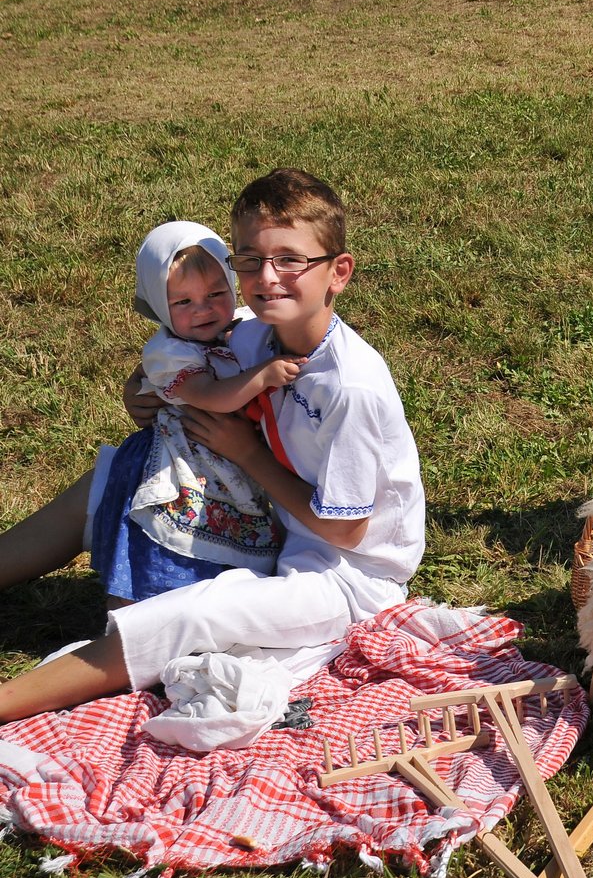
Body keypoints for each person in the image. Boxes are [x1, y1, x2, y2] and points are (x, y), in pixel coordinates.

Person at [0, 168, 426, 722]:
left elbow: (347, 530)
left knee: (190, 616)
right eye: (250, 260)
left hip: (347, 580)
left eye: (290, 260)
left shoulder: (350, 386)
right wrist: (138, 387)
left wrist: (246, 452)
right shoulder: (258, 334)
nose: (267, 277)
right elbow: (182, 352)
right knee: (109, 480)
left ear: (337, 272)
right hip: (283, 529)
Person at [87, 221, 303, 604]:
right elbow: (209, 396)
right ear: (159, 305)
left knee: (217, 564)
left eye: (216, 293)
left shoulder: (244, 326)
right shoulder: (170, 353)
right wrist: (262, 375)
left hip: (222, 464)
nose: (203, 309)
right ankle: (126, 621)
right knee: (157, 549)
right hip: (178, 468)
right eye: (183, 302)